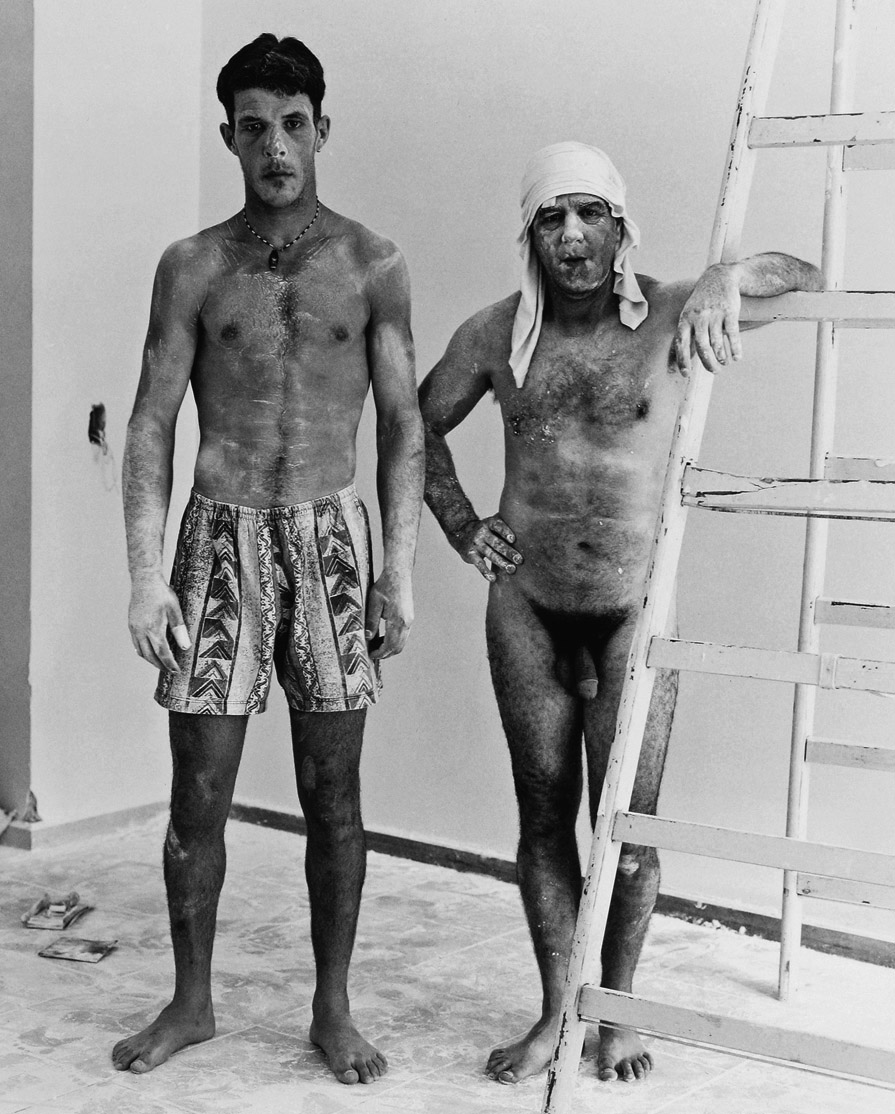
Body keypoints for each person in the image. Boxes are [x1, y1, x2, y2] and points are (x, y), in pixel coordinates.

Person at [418, 141, 822, 1086]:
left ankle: (618, 1015)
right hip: (526, 609)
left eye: (589, 214)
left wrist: (726, 276)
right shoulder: (496, 335)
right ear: (530, 235)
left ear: (619, 226)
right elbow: (415, 422)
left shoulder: (677, 312)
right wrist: (461, 524)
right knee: (542, 820)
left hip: (631, 611)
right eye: (550, 218)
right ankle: (557, 1011)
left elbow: (806, 278)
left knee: (629, 831)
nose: (571, 236)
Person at [114, 35, 423, 1085]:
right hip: (218, 537)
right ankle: (191, 1000)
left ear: (321, 129)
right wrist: (144, 575)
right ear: (229, 138)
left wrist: (396, 571)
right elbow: (151, 420)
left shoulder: (373, 263)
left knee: (333, 795)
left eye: (293, 125)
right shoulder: (193, 266)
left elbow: (402, 426)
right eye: (254, 128)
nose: (275, 147)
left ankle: (332, 1007)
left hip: (329, 541)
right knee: (196, 795)